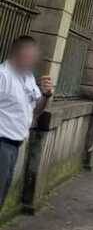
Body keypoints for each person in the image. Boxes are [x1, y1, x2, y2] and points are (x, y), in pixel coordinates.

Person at [0, 36, 52, 207]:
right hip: (2, 143)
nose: (33, 60)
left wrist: (45, 95)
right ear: (17, 53)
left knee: (3, 193)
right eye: (30, 55)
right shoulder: (3, 76)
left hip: (14, 145)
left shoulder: (28, 77)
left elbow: (36, 110)